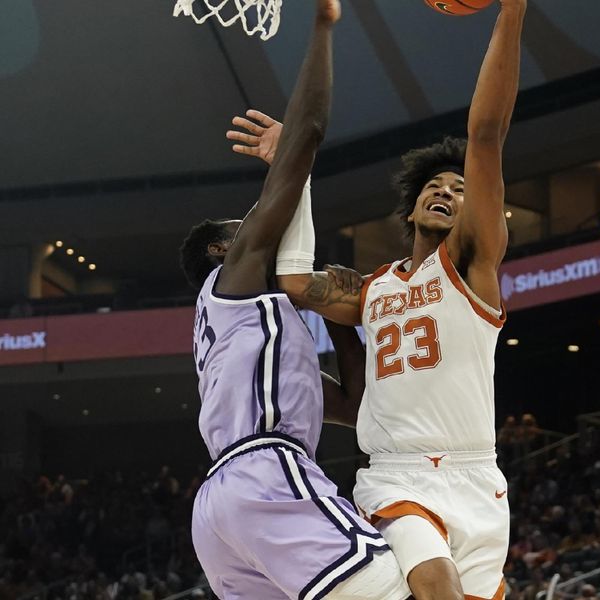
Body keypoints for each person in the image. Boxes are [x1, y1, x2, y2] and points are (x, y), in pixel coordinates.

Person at [231, 2, 527, 597]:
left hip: (477, 475)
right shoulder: (373, 289)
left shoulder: (471, 267)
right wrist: (295, 168)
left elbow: (486, 134)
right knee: (434, 586)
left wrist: (511, 10)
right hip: (398, 475)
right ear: (413, 207)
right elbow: (293, 281)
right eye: (434, 186)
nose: (445, 190)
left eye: (459, 189)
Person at [178, 2, 410, 598]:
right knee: (397, 586)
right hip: (265, 473)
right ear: (219, 252)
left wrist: (351, 319)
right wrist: (323, 27)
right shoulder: (234, 278)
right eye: (247, 225)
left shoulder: (250, 334)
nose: (261, 224)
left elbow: (356, 408)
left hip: (222, 507)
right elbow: (305, 135)